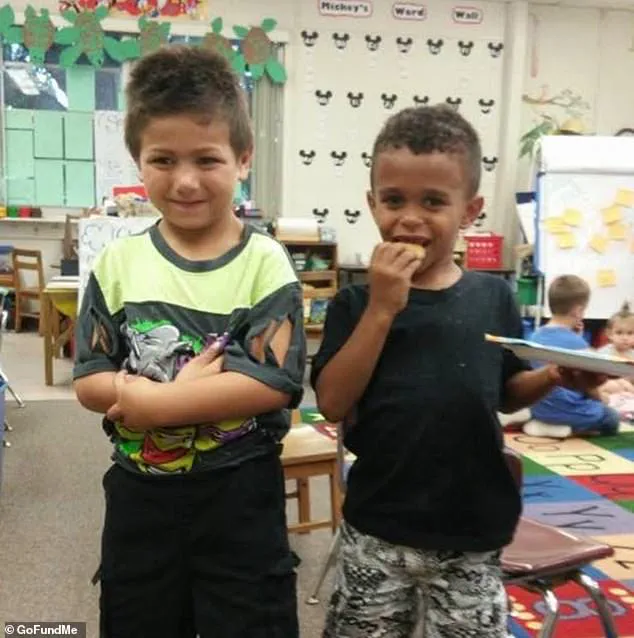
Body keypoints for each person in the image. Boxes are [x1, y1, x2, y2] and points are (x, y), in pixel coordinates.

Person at [311, 104, 604, 638]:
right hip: (379, 523)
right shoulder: (355, 303)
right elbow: (332, 402)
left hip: (472, 529)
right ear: (372, 203)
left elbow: (506, 393)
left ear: (469, 211)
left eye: (433, 202)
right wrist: (382, 308)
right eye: (393, 200)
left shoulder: (493, 297)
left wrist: (553, 377)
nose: (410, 218)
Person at [73, 46, 306, 638]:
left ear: (243, 159)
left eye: (207, 159)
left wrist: (156, 403)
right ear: (138, 160)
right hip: (140, 499)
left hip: (240, 498)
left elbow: (270, 384)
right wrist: (134, 392)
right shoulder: (118, 264)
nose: (184, 181)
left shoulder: (265, 264)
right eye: (162, 159)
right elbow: (90, 376)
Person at [523, 275, 620, 439]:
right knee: (611, 418)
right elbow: (589, 386)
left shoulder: (535, 336)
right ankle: (569, 429)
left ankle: (543, 423)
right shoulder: (578, 344)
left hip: (539, 409)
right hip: (570, 411)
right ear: (578, 311)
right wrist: (602, 398)